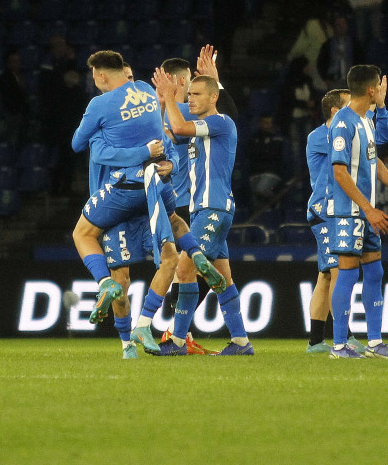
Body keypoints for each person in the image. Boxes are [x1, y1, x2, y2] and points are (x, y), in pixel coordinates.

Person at [70, 51, 226, 350]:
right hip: (157, 186)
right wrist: (159, 155)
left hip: (120, 192)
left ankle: (123, 328)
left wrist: (140, 150)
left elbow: (83, 146)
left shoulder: (100, 109)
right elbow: (165, 138)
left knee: (89, 241)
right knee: (171, 242)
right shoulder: (144, 92)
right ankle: (194, 258)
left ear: (101, 76)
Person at [152, 67, 252, 356]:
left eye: (196, 95)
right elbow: (170, 132)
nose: (191, 99)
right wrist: (162, 103)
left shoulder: (221, 123)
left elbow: (180, 127)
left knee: (185, 269)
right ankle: (241, 342)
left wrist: (171, 97)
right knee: (223, 276)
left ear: (213, 96)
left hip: (213, 208)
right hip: (203, 211)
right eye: (190, 94)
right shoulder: (199, 133)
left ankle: (178, 341)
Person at [327, 64, 388, 359]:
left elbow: (376, 161)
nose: (380, 92)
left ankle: (374, 342)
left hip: (367, 212)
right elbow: (340, 173)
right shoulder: (342, 123)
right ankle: (339, 345)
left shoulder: (366, 120)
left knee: (374, 271)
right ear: (371, 89)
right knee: (346, 273)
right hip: (348, 212)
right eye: (378, 90)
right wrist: (368, 209)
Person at [305, 82, 388, 354]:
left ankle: (316, 340)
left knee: (326, 276)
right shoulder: (323, 134)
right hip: (327, 210)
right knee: (337, 271)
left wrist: (381, 105)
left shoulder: (352, 127)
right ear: (335, 110)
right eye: (347, 103)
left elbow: (375, 148)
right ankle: (346, 337)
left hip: (335, 209)